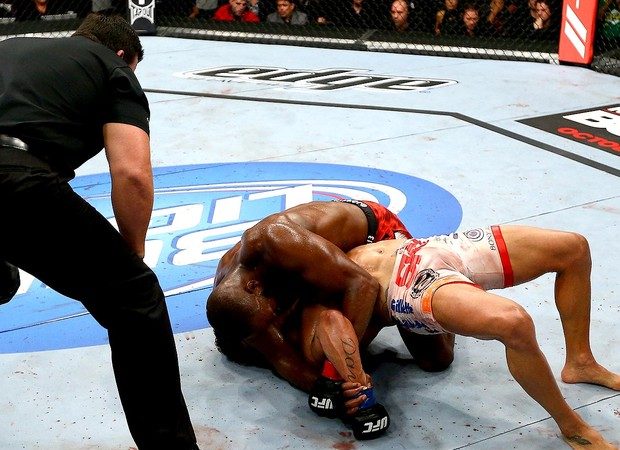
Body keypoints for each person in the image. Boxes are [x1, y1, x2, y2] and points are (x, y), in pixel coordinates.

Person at [0, 14, 199, 450]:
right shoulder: (112, 69)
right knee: (135, 297)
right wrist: (133, 251)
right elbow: (132, 174)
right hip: (13, 177)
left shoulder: (10, 46)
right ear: (124, 54)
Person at [338, 225, 619, 449]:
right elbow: (331, 337)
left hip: (429, 247)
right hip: (405, 285)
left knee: (573, 248)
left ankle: (581, 362)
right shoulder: (319, 301)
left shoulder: (320, 232)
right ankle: (573, 427)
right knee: (514, 323)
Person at [207, 199, 455, 392]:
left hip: (377, 238)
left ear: (254, 287)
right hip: (329, 264)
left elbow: (364, 285)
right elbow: (281, 357)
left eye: (271, 311)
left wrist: (341, 370)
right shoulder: (238, 304)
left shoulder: (274, 240)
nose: (274, 316)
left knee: (435, 359)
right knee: (310, 349)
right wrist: (325, 389)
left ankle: (445, 274)